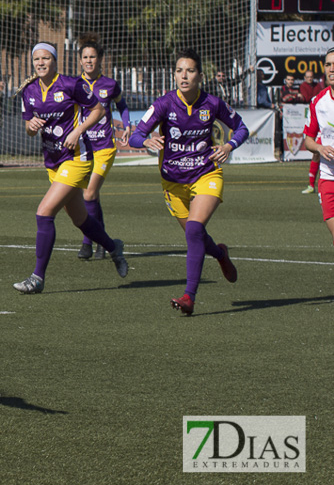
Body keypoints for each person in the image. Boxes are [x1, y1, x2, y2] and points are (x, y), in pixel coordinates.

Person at [128, 48, 249, 316]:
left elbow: (242, 128)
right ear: (174, 75)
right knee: (195, 234)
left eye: (190, 71)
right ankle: (220, 254)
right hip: (173, 182)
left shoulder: (212, 103)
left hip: (206, 173)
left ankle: (189, 297)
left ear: (200, 76)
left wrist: (229, 145)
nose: (184, 76)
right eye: (180, 71)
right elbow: (136, 135)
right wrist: (146, 141)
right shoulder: (163, 104)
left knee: (194, 230)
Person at [14, 42, 129, 295]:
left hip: (77, 157)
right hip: (53, 160)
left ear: (55, 61)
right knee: (79, 219)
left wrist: (78, 130)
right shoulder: (29, 90)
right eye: (36, 59)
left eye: (46, 58)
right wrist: (31, 127)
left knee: (44, 213)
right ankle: (113, 247)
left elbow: (98, 109)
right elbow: (29, 128)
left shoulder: (70, 84)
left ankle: (37, 278)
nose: (41, 63)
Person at [75, 35, 131, 261]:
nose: (89, 61)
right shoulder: (73, 85)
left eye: (93, 57)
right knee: (89, 196)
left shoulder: (109, 84)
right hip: (82, 147)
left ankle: (88, 242)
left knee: (89, 193)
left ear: (100, 60)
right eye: (85, 57)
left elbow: (122, 105)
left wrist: (127, 126)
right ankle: (101, 240)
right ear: (80, 61)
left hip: (105, 146)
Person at [303, 48, 334, 246]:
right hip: (328, 179)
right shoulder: (318, 102)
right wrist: (319, 148)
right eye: (328, 64)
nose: (332, 69)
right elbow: (308, 140)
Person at [300, 70, 323, 194]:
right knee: (316, 154)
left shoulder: (319, 89)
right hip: (319, 130)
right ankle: (311, 185)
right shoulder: (316, 100)